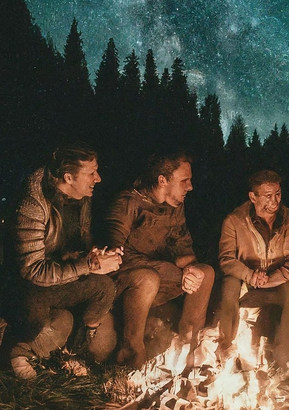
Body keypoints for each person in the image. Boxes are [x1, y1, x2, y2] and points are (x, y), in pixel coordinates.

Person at [7, 143, 120, 380]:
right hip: (25, 286)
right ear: (68, 177)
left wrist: (93, 255)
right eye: (91, 173)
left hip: (56, 279)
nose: (98, 179)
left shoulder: (81, 199)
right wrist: (89, 266)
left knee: (104, 287)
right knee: (43, 310)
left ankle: (77, 350)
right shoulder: (33, 203)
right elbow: (32, 270)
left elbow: (75, 244)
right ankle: (17, 350)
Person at [104, 152, 215, 370]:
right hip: (123, 284)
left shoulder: (175, 208)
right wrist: (174, 273)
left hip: (158, 278)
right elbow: (114, 251)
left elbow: (183, 248)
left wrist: (190, 269)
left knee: (205, 272)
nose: (190, 187)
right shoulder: (128, 202)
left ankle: (189, 344)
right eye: (184, 181)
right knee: (149, 278)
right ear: (162, 180)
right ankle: (132, 350)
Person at [217, 169, 289, 369]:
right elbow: (226, 260)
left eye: (277, 194)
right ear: (252, 196)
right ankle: (226, 347)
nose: (274, 201)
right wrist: (250, 276)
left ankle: (284, 356)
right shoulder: (234, 221)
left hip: (278, 286)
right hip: (247, 285)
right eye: (267, 196)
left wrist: (268, 280)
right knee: (229, 282)